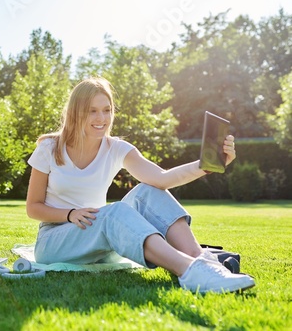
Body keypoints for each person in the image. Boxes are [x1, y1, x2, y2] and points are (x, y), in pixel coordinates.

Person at [25, 77, 255, 293]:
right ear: (76, 113)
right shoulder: (50, 148)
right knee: (113, 212)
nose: (101, 119)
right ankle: (188, 271)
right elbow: (33, 207)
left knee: (147, 190)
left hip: (99, 236)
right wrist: (70, 214)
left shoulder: (115, 147)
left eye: (107, 110)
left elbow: (162, 178)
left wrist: (206, 165)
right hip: (54, 241)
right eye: (92, 111)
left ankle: (201, 260)